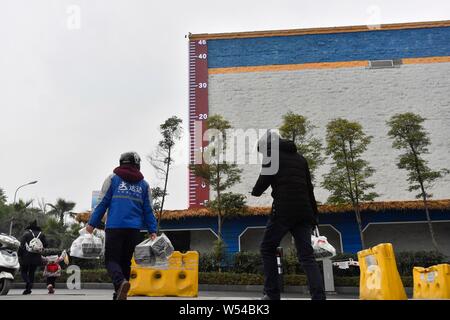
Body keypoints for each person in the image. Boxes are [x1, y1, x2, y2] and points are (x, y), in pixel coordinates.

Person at [251, 132, 326, 300]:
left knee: (267, 248)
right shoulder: (301, 159)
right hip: (304, 213)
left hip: (283, 211)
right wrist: (314, 216)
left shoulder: (272, 156)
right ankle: (319, 297)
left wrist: (255, 192)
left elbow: (263, 180)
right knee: (307, 256)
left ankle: (271, 294)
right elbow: (309, 188)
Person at [86, 152, 157, 300]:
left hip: (114, 227)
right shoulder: (144, 185)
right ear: (137, 164)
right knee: (125, 261)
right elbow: (148, 209)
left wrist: (92, 224)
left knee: (111, 260)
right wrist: (152, 230)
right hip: (133, 230)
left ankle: (120, 283)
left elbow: (102, 203)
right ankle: (119, 292)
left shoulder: (113, 179)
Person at [18, 220, 48, 295]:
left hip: (25, 256)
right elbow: (46, 244)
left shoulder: (26, 234)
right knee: (32, 272)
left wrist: (19, 254)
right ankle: (29, 289)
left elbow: (21, 246)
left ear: (30, 227)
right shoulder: (41, 235)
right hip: (36, 257)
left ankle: (28, 282)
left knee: (23, 271)